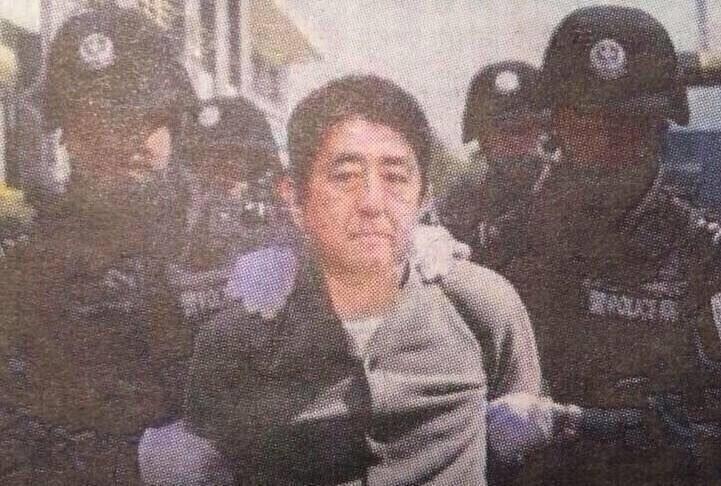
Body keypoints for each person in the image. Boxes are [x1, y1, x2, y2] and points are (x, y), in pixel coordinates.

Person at [157, 74, 539, 485]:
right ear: (294, 196)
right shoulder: (236, 339)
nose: (372, 202)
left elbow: (523, 446)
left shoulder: (481, 308)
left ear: (424, 196)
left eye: (395, 177)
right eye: (344, 176)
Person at [475, 6, 721, 484]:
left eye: (630, 126)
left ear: (661, 129)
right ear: (556, 127)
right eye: (586, 125)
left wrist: (578, 424)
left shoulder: (704, 256)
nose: (607, 145)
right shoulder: (502, 249)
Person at [0, 8, 196, 482]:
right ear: (65, 134)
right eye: (103, 119)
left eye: (146, 116)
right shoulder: (23, 273)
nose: (127, 139)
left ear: (175, 127)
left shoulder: (238, 253)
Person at [167, 96, 292, 323]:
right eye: (204, 157)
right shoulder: (178, 219)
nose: (218, 166)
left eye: (232, 155)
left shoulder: (279, 220)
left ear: (257, 162)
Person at [439, 61, 556, 263]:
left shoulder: (565, 194)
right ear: (482, 140)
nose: (513, 142)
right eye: (500, 132)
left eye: (523, 130)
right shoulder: (460, 200)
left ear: (544, 132)